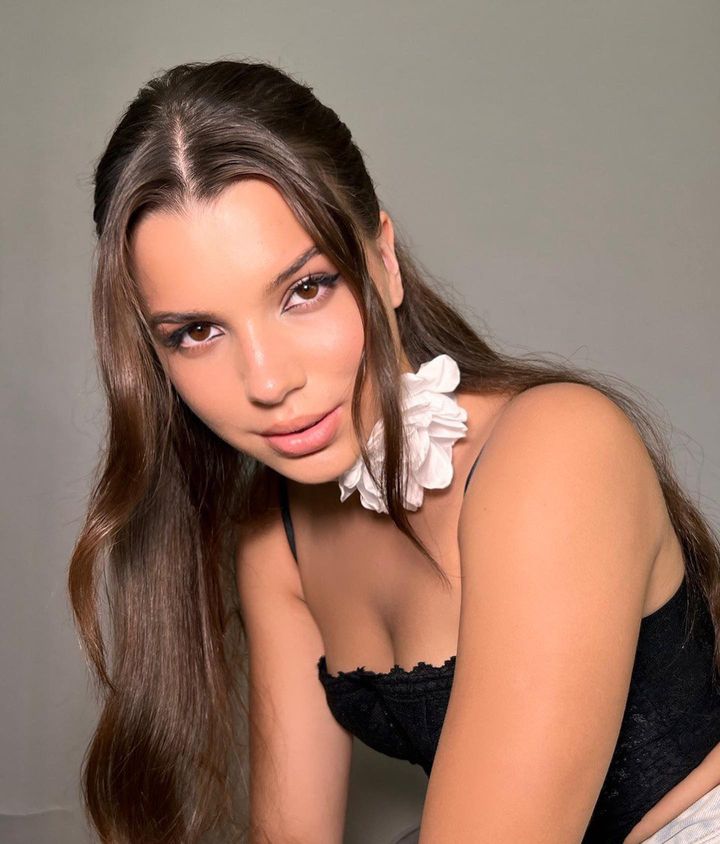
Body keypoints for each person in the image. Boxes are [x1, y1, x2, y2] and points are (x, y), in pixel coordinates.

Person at [68, 59, 720, 844]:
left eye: (304, 290)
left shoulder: (557, 450)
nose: (269, 381)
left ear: (383, 260)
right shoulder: (278, 540)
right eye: (198, 332)